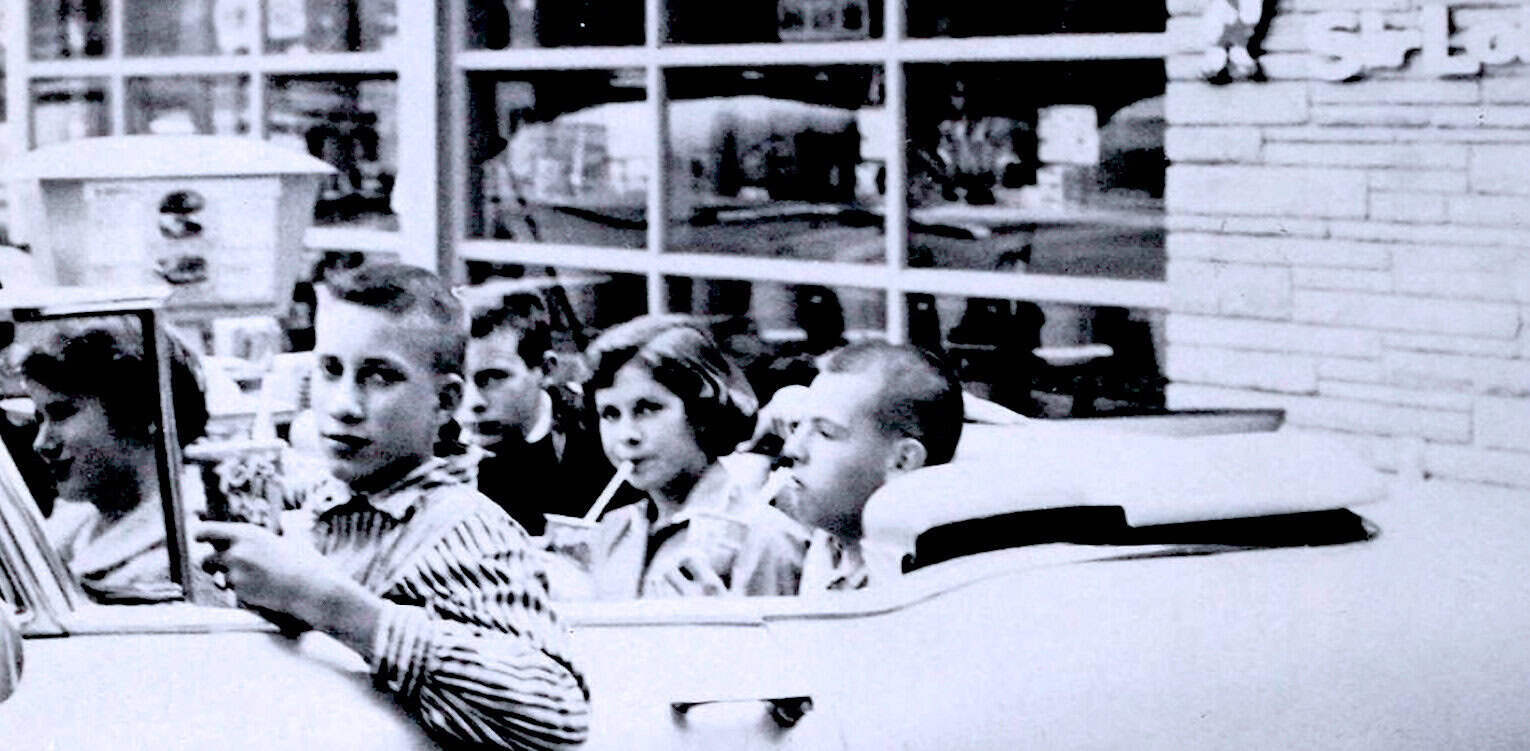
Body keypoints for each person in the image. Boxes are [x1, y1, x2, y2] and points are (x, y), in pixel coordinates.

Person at [194, 263, 589, 750]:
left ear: (445, 402)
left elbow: (557, 720)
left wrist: (326, 602)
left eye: (379, 377)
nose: (343, 404)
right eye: (330, 370)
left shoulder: (461, 526)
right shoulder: (328, 503)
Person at [581, 315, 807, 600]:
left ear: (701, 411)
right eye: (610, 414)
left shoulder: (762, 536)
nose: (627, 434)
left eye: (648, 408)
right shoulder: (614, 531)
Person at [20, 318, 212, 603]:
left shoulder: (184, 562)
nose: (41, 444)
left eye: (61, 413)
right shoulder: (70, 528)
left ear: (143, 413)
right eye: (40, 419)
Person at [774, 341, 964, 592]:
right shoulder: (830, 541)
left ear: (902, 461)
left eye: (825, 432)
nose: (792, 449)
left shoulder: (924, 588)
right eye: (798, 427)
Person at [459, 292, 611, 535]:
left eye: (493, 378)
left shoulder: (602, 443)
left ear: (546, 370)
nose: (472, 402)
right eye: (458, 382)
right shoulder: (427, 446)